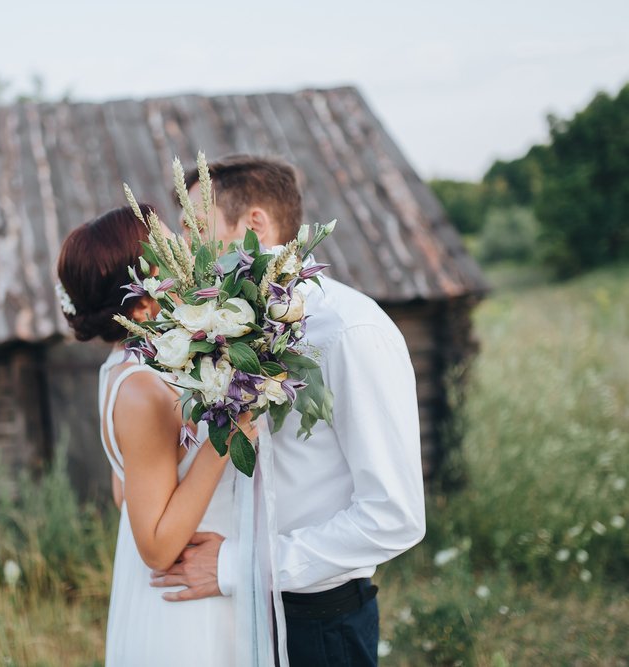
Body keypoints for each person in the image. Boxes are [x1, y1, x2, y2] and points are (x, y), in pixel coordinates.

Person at [150, 155, 427, 666]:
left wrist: (238, 566)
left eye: (196, 228)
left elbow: (394, 516)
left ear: (253, 223)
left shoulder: (349, 331)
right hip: (239, 617)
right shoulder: (216, 328)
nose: (185, 248)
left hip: (319, 624)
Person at [56, 205, 260, 666]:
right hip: (187, 613)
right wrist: (233, 428)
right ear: (145, 302)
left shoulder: (134, 369)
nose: (187, 250)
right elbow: (156, 546)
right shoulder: (143, 391)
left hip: (202, 588)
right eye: (172, 249)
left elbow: (124, 491)